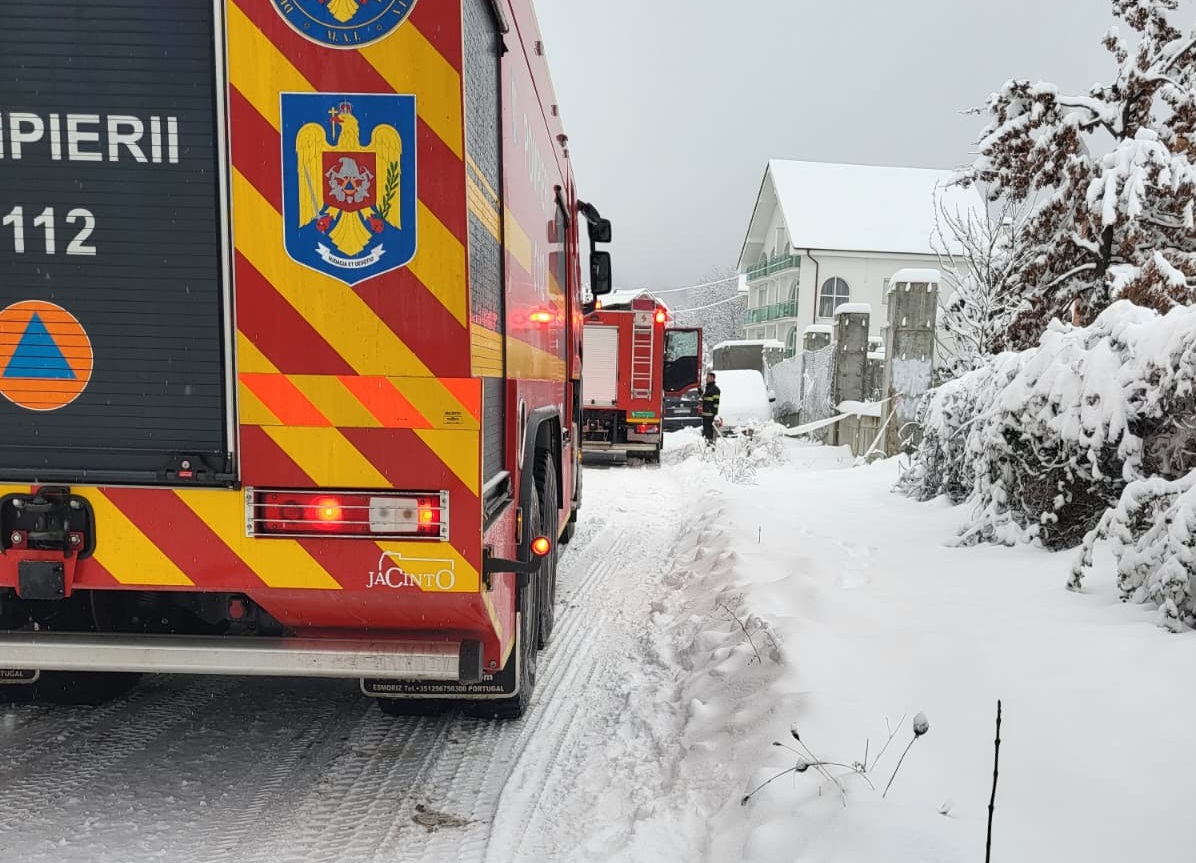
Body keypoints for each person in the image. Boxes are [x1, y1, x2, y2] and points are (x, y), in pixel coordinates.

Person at [700, 371, 720, 446]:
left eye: (707, 377)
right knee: (706, 430)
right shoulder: (708, 388)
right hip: (705, 414)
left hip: (710, 414)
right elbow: (705, 399)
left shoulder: (715, 389)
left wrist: (714, 413)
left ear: (712, 378)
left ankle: (711, 444)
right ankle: (707, 443)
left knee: (709, 431)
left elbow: (716, 402)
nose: (706, 379)